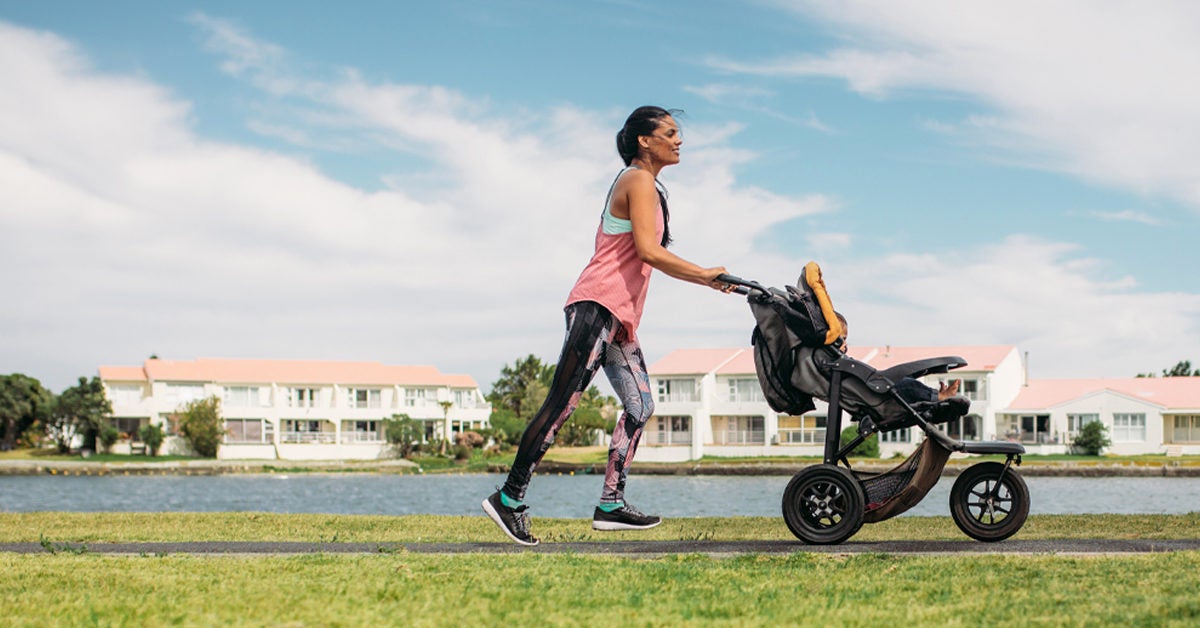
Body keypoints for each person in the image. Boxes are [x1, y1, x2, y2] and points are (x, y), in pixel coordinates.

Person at [482, 106, 731, 546]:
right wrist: (704, 275)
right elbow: (648, 252)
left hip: (618, 318)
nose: (679, 141)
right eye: (670, 133)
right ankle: (509, 498)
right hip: (596, 305)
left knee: (640, 407)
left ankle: (610, 505)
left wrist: (708, 279)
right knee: (560, 405)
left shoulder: (647, 185)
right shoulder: (636, 179)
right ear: (644, 140)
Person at [834, 312, 962, 405]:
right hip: (873, 393)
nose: (845, 344)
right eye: (842, 339)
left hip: (871, 388)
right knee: (909, 386)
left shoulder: (837, 360)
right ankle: (938, 396)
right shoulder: (836, 363)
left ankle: (932, 398)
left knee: (906, 379)